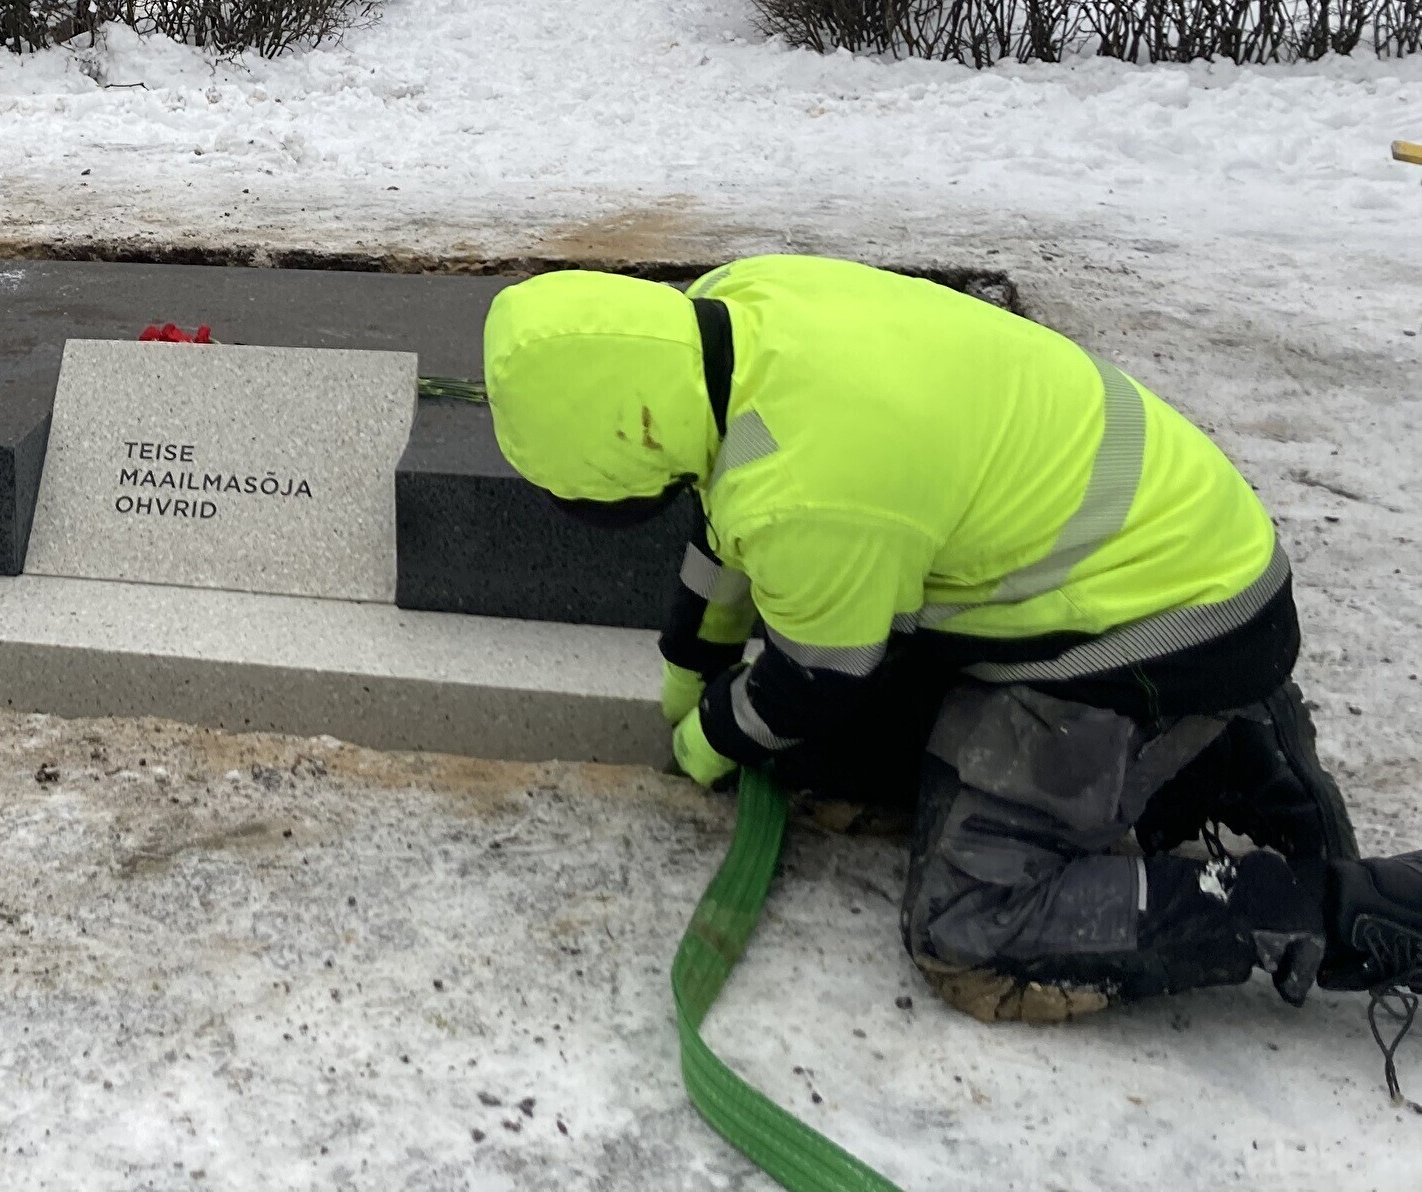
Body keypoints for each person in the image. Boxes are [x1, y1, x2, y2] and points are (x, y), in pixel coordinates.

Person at [481, 256, 1422, 1056]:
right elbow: (720, 524)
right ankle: (1203, 748)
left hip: (1165, 628)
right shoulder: (734, 306)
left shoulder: (808, 489)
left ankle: (1323, 902)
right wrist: (689, 664)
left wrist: (708, 738)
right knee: (830, 763)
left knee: (973, 926)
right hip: (1177, 545)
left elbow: (811, 679)